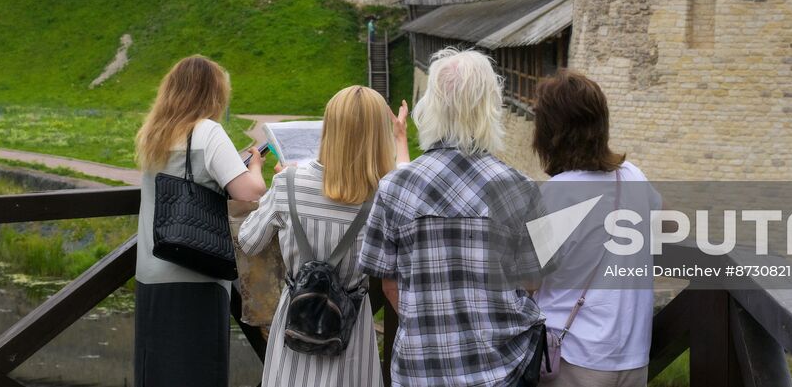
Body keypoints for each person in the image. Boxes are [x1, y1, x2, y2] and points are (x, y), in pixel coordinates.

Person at [358, 48, 545, 387]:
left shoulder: (395, 186)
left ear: (430, 106)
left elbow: (388, 282)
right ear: (490, 108)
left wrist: (432, 329)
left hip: (420, 370)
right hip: (500, 370)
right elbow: (532, 284)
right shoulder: (521, 188)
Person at [239, 86, 410, 387]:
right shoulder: (387, 196)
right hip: (351, 333)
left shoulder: (289, 183)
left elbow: (249, 240)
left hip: (295, 326)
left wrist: (282, 189)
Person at [133, 55, 266, 387]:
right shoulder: (208, 131)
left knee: (159, 373)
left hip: (151, 273)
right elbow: (249, 194)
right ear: (213, 93)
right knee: (198, 371)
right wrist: (255, 168)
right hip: (197, 272)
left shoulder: (155, 132)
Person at [532, 69, 656, 387]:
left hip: (573, 355)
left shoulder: (556, 193)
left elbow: (528, 278)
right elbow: (667, 224)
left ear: (549, 132)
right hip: (632, 355)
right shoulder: (631, 176)